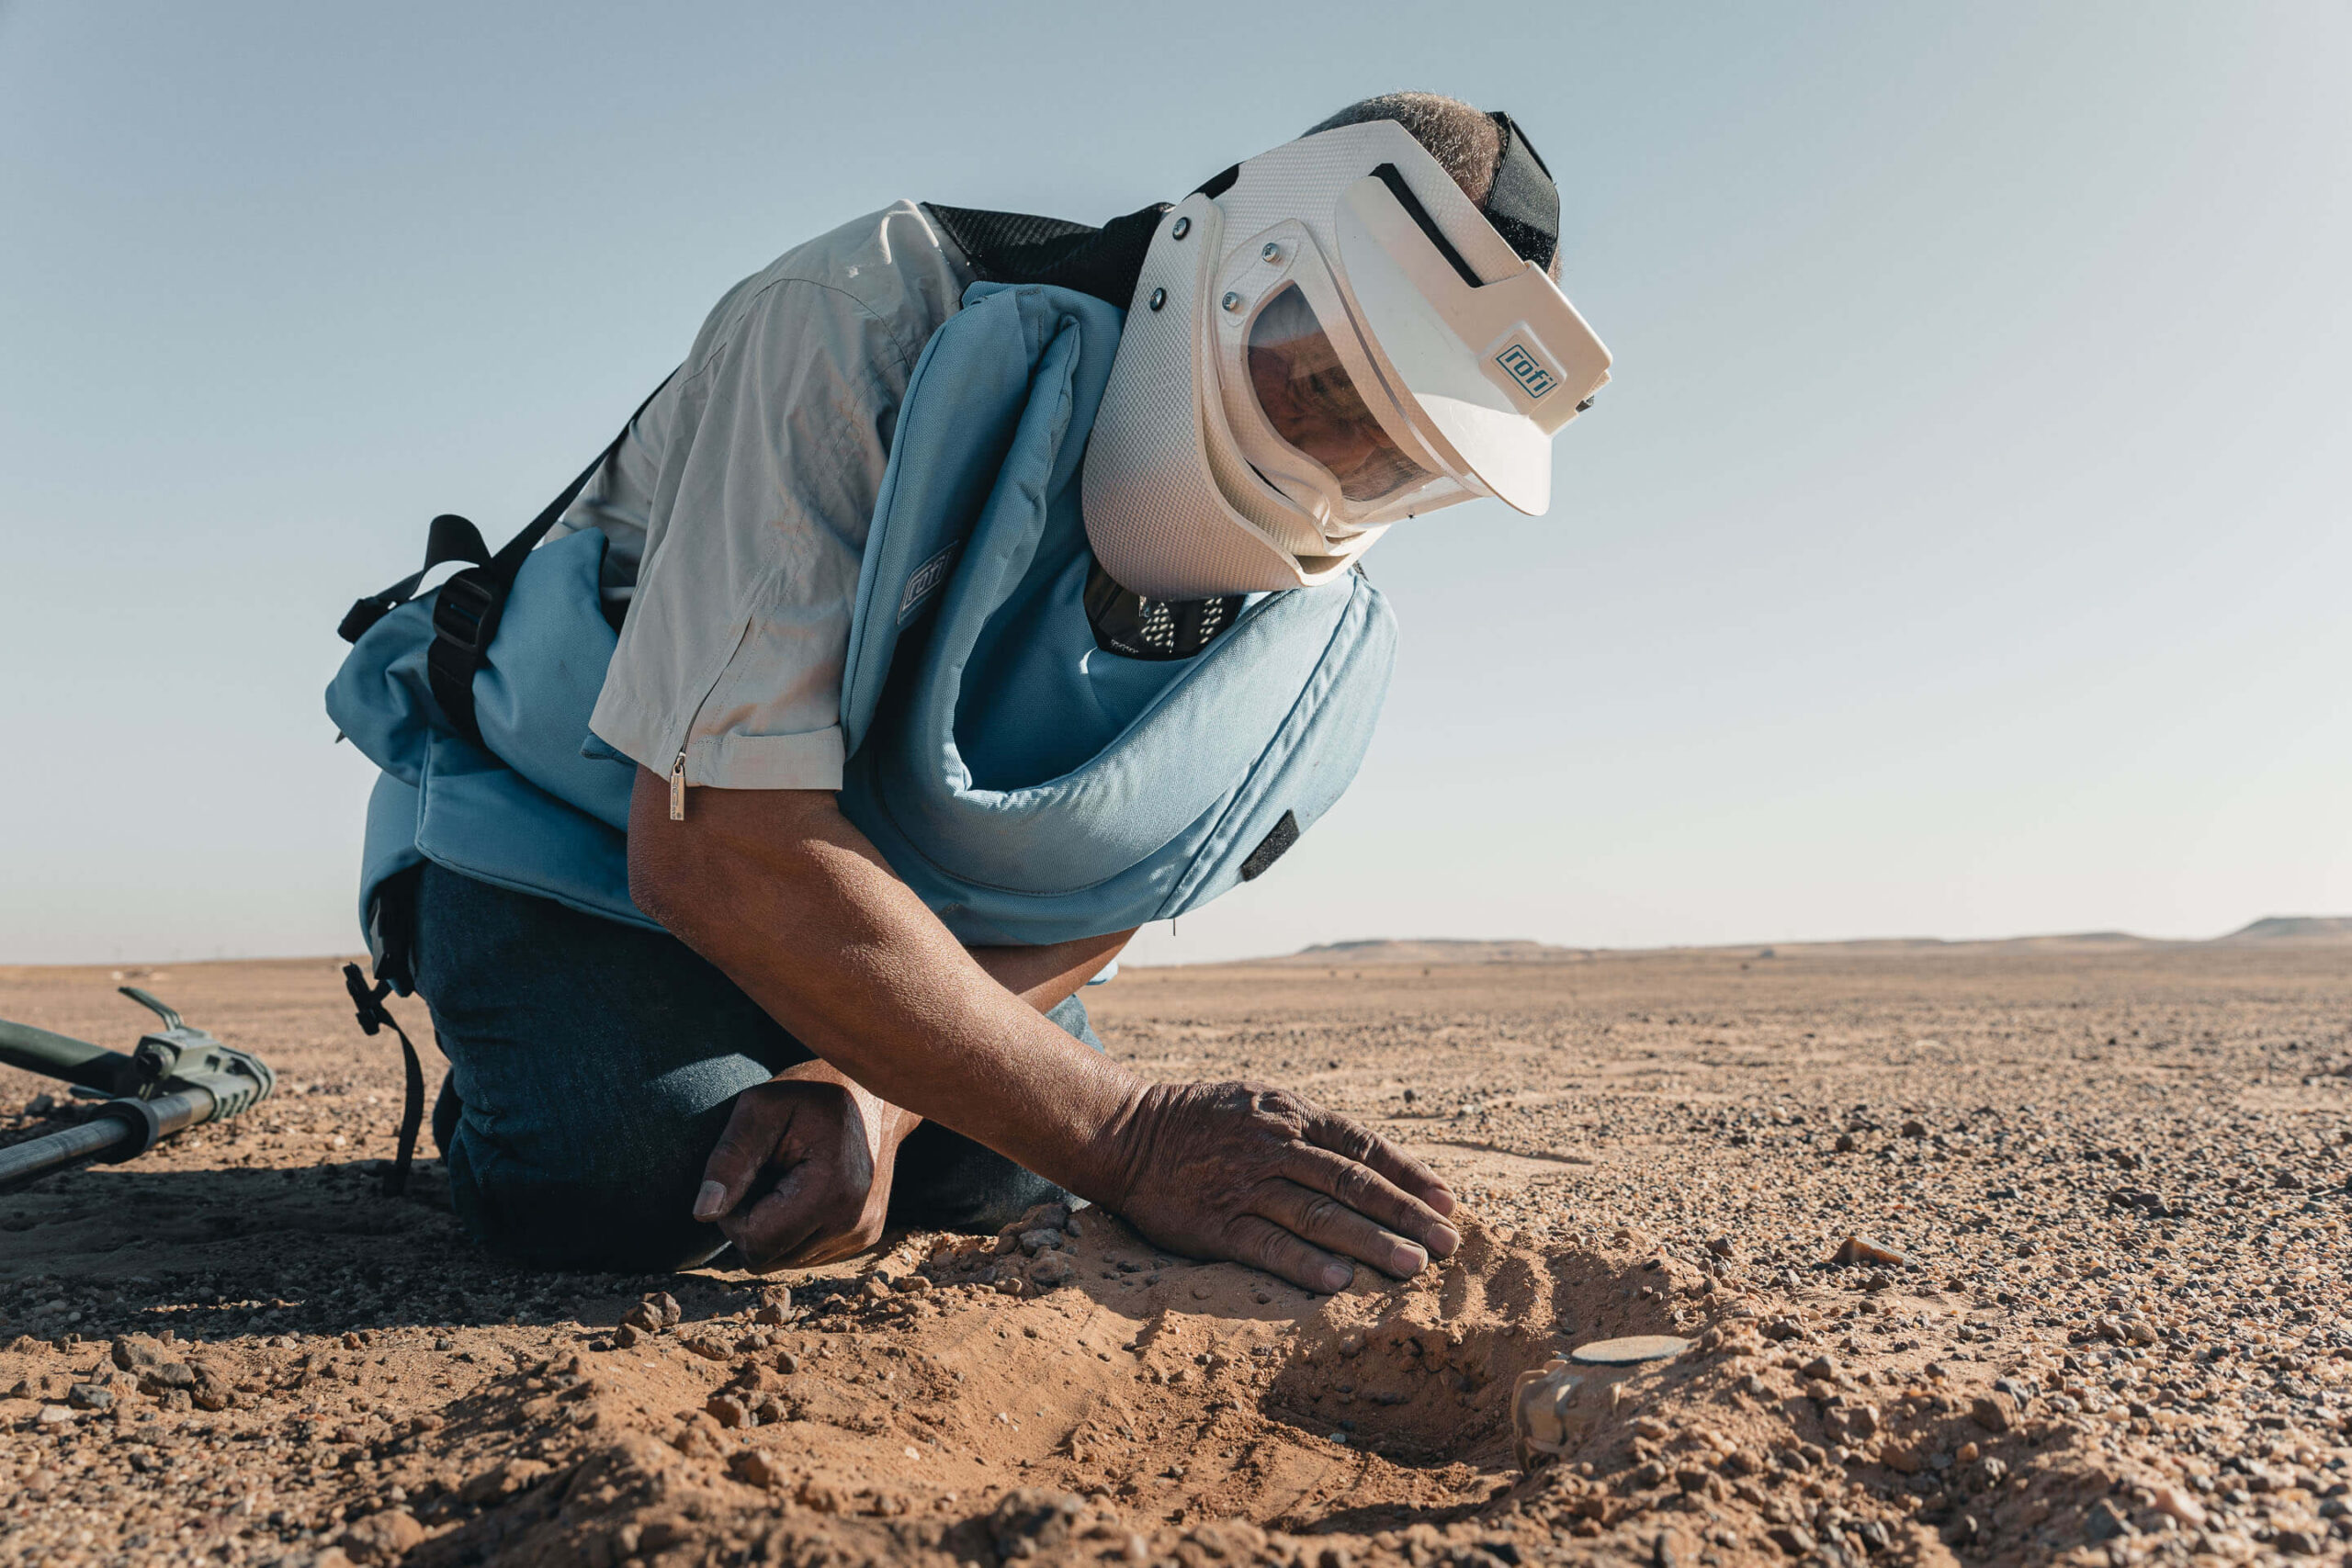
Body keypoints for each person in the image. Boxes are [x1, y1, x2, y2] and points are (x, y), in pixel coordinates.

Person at [396, 91, 1611, 1282]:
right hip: (583, 847)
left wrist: (875, 1089)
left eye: (1394, 455)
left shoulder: (1316, 618)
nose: (1333, 467)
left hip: (897, 913)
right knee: (641, 1176)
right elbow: (710, 849)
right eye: (1322, 379)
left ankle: (830, 1040)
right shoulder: (863, 317)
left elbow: (1112, 874)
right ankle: (525, 1061)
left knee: (979, 1170)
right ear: (1246, 249)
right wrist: (1126, 1138)